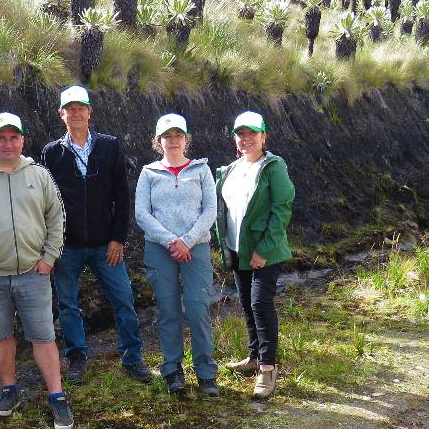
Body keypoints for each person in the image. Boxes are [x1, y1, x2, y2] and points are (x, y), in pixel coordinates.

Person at [0, 112, 73, 429]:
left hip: (33, 272)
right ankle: (9, 390)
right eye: (1, 138)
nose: (8, 143)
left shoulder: (39, 175)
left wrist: (49, 258)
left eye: (14, 137)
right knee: (0, 336)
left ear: (23, 140)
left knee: (43, 336)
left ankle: (57, 395)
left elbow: (56, 218)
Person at [41, 86, 151, 384]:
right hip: (67, 246)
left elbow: (122, 196)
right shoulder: (52, 153)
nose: (76, 113)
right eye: (70, 108)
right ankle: (77, 357)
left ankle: (132, 357)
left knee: (124, 299)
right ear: (61, 114)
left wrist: (118, 239)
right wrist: (52, 244)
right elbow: (45, 201)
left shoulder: (110, 146)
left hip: (106, 244)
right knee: (67, 304)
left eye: (81, 107)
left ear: (90, 112)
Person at [134, 113, 220, 396]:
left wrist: (187, 240)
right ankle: (173, 370)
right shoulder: (148, 173)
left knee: (197, 309)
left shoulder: (201, 170)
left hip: (197, 249)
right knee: (168, 312)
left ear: (186, 139)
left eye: (178, 136)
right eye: (167, 136)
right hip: (160, 250)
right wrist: (172, 240)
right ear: (159, 141)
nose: (173, 141)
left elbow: (210, 210)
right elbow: (142, 214)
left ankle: (206, 372)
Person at [215, 111, 294, 399]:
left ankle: (269, 369)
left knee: (261, 304)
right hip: (238, 249)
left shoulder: (274, 166)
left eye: (252, 133)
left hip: (265, 253)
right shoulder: (232, 169)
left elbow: (282, 209)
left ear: (264, 136)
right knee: (248, 304)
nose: (246, 139)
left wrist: (263, 250)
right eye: (240, 134)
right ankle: (254, 358)